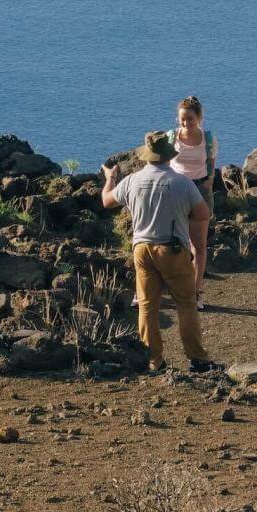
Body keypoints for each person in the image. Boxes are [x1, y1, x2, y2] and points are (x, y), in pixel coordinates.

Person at [102, 131, 218, 374]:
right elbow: (203, 213)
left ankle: (154, 360)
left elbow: (107, 201)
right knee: (186, 304)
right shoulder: (181, 183)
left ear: (147, 156)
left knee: (146, 306)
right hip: (173, 248)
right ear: (168, 156)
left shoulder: (132, 181)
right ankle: (197, 359)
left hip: (142, 249)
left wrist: (110, 178)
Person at [166, 96, 217, 309]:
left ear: (199, 117)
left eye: (190, 119)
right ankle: (170, 289)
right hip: (175, 191)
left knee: (199, 246)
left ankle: (196, 292)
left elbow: (212, 163)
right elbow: (164, 162)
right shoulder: (171, 138)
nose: (186, 123)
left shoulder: (208, 139)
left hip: (199, 190)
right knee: (170, 244)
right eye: (182, 119)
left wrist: (208, 184)